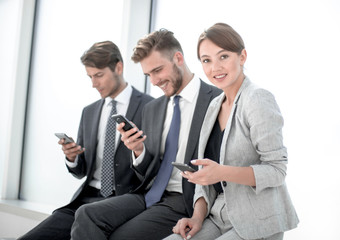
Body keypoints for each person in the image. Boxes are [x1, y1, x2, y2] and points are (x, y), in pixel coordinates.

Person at [70, 29, 221, 240]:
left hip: (183, 196)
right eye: (148, 74)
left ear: (178, 58)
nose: (154, 81)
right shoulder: (153, 108)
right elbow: (150, 170)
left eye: (158, 70)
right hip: (148, 193)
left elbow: (219, 165)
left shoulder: (216, 100)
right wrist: (139, 151)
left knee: (121, 236)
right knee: (86, 214)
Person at [166, 23, 299, 240]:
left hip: (257, 220)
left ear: (242, 56)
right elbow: (207, 177)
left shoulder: (257, 99)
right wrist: (197, 218)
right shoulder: (214, 106)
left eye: (223, 57)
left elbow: (277, 170)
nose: (215, 68)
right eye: (206, 60)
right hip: (218, 217)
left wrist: (221, 172)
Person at [18, 41, 153, 240]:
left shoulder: (150, 107)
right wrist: (72, 158)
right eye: (90, 77)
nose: (93, 84)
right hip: (86, 198)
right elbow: (81, 171)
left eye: (99, 75)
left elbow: (153, 169)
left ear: (118, 67)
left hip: (123, 199)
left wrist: (138, 151)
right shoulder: (89, 112)